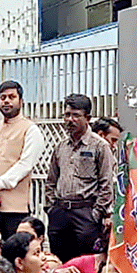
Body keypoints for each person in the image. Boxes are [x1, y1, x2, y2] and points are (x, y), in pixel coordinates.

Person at [45, 94, 114, 262]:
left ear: (87, 118)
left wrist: (96, 214)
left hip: (85, 214)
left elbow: (107, 183)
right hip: (60, 213)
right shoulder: (60, 146)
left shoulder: (99, 146)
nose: (70, 119)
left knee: (87, 262)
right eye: (67, 115)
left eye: (76, 115)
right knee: (60, 262)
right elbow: (51, 181)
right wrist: (51, 208)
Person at [0, 81, 44, 238]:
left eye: (11, 97)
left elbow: (24, 165)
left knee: (13, 254)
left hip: (15, 210)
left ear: (21, 101)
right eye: (2, 97)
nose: (6, 101)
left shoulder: (30, 130)